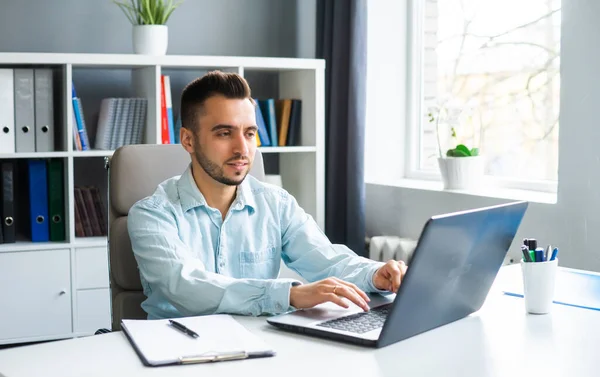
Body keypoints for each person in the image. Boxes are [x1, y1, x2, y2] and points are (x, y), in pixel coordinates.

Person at [128, 71, 407, 320]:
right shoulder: (152, 213)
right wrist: (289, 295)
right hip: (176, 352)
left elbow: (327, 259)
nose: (242, 149)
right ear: (188, 140)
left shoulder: (276, 203)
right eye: (225, 133)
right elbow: (186, 285)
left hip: (259, 347)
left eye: (249, 133)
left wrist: (376, 274)